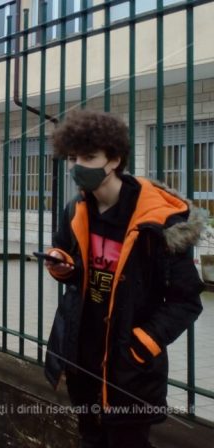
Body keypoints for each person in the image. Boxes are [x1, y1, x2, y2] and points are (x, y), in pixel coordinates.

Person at [43, 110, 204, 447]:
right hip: (82, 356)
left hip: (129, 364)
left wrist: (142, 343)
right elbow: (67, 258)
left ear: (115, 159)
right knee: (90, 439)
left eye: (89, 157)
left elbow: (185, 300)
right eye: (73, 158)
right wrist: (62, 266)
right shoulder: (75, 210)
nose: (78, 166)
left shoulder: (159, 221)